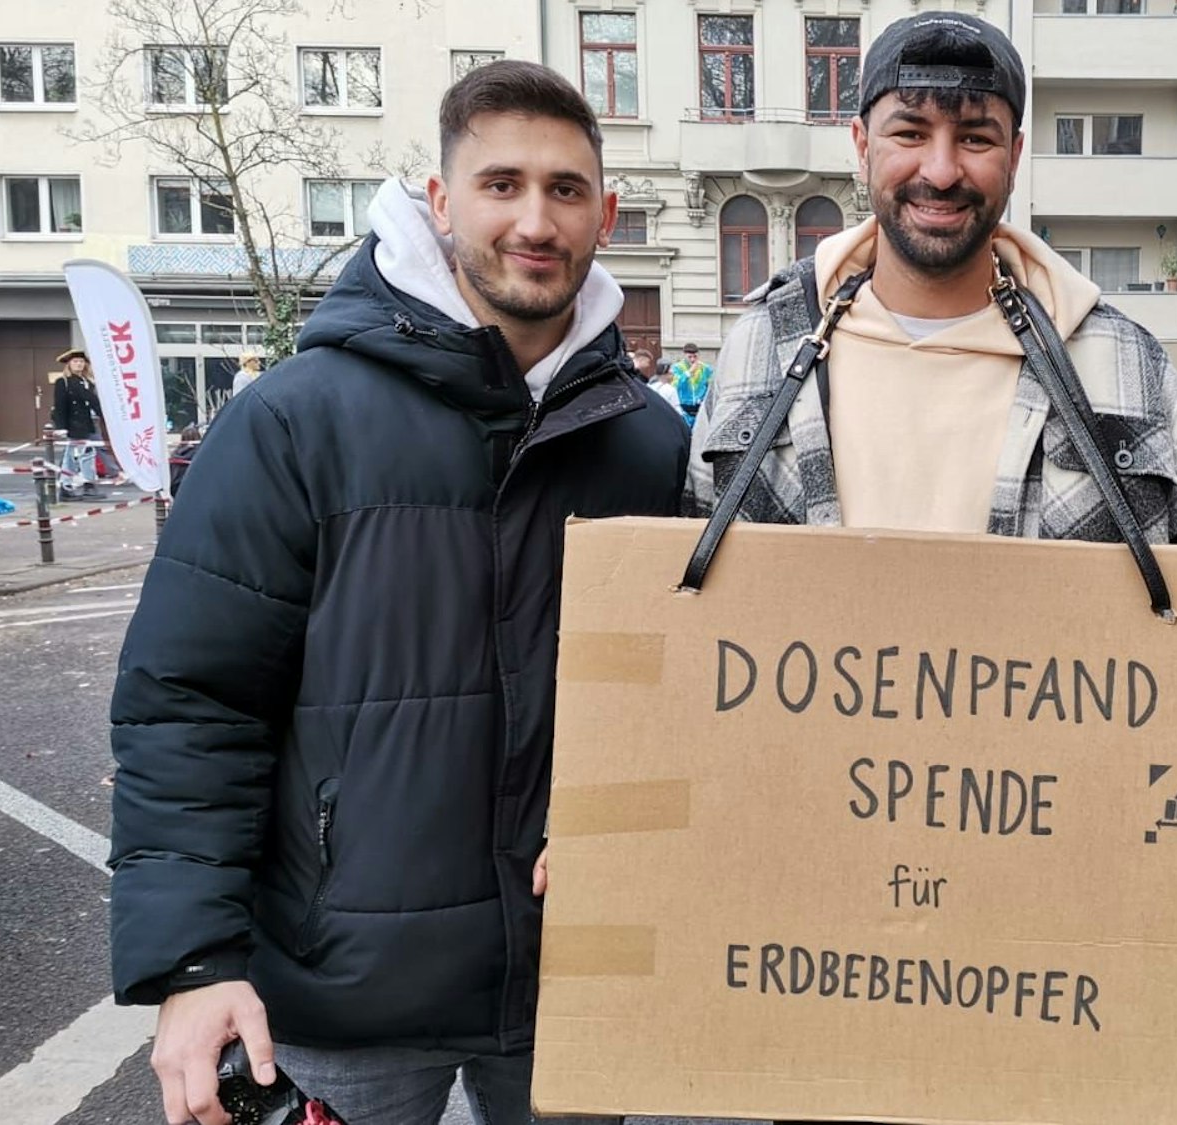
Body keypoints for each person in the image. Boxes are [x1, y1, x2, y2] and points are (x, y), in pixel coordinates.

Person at [687, 18, 1177, 1113]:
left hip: (1046, 935)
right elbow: (691, 611)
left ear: (1015, 153)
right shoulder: (764, 346)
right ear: (860, 145)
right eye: (910, 132)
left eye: (974, 137)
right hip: (824, 929)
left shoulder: (1108, 355)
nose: (940, 169)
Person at [107, 60, 688, 1125]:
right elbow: (193, 700)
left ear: (605, 214)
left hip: (568, 977)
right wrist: (192, 962)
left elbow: (682, 696)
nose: (535, 220)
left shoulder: (648, 444)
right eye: (500, 184)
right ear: (439, 201)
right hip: (347, 988)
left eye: (564, 190)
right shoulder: (295, 422)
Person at [51, 348, 107, 499]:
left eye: (81, 361)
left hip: (86, 423)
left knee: (76, 455)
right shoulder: (64, 382)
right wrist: (61, 426)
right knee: (82, 455)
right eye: (75, 361)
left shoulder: (87, 382)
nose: (79, 364)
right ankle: (83, 485)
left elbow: (94, 402)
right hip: (73, 424)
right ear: (69, 364)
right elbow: (60, 405)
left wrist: (105, 416)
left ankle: (68, 485)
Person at [671, 341, 712, 425]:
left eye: (695, 356)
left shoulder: (705, 368)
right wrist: (688, 373)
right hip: (684, 407)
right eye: (689, 357)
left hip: (700, 408)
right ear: (684, 355)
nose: (692, 359)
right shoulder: (677, 368)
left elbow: (711, 386)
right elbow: (676, 385)